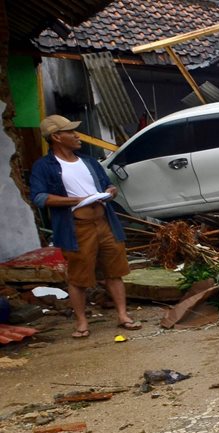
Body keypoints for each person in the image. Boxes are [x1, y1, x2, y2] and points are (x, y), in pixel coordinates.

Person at [29, 115, 140, 338]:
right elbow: (39, 198)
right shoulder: (44, 166)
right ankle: (81, 322)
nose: (77, 136)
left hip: (105, 222)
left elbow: (107, 183)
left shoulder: (88, 161)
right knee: (79, 278)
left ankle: (123, 315)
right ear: (57, 137)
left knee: (114, 272)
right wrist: (77, 200)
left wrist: (110, 191)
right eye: (71, 132)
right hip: (77, 228)